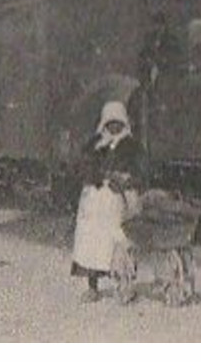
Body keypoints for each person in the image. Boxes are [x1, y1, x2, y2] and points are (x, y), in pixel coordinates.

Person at [71, 100, 144, 302]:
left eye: (118, 123)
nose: (114, 127)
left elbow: (141, 172)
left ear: (124, 123)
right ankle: (92, 286)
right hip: (94, 199)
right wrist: (96, 174)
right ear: (104, 123)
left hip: (116, 200)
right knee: (90, 241)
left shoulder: (131, 146)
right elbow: (81, 167)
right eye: (110, 123)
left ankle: (124, 283)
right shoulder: (94, 144)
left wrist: (125, 178)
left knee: (118, 240)